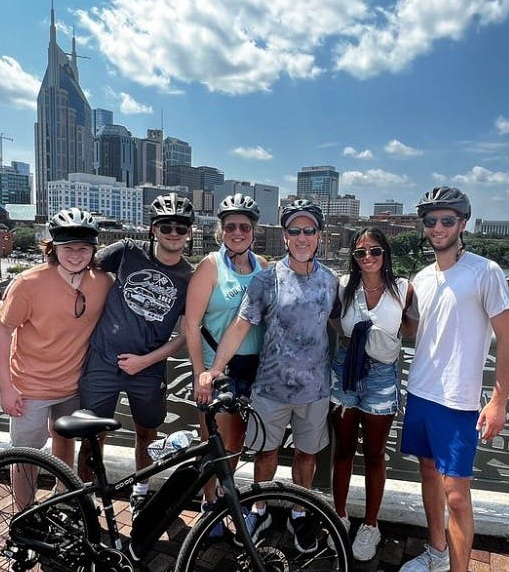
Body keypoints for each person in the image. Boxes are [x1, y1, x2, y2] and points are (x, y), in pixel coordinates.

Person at [399, 185, 509, 572]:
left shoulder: (485, 272)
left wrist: (498, 400)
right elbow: (413, 333)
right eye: (430, 221)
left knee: (457, 497)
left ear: (463, 223)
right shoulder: (421, 278)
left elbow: (508, 340)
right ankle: (436, 549)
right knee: (428, 474)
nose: (437, 229)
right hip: (421, 393)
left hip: (459, 402)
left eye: (446, 220)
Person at [198, 199, 339, 552]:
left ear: (319, 236)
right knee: (266, 454)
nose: (302, 237)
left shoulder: (331, 281)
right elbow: (240, 325)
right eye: (295, 231)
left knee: (307, 456)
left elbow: (342, 325)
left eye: (309, 231)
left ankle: (300, 512)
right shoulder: (266, 279)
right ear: (285, 236)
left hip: (315, 389)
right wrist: (214, 369)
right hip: (271, 388)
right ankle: (259, 509)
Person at [79, 192, 195, 512]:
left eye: (181, 228)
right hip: (103, 358)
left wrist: (145, 361)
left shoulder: (190, 278)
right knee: (93, 434)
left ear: (189, 233)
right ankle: (85, 498)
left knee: (147, 433)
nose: (174, 233)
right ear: (153, 229)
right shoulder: (127, 251)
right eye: (166, 226)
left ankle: (141, 490)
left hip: (148, 366)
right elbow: (79, 265)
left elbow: (184, 337)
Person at [0, 208, 110, 503]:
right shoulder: (28, 284)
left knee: (64, 444)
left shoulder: (102, 282)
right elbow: (1, 333)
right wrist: (6, 387)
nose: (76, 255)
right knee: (26, 457)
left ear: (93, 250)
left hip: (72, 384)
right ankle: (24, 517)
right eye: (68, 248)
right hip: (30, 387)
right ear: (53, 247)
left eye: (83, 248)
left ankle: (63, 500)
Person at [183, 193, 266, 533]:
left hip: (254, 366)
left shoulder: (262, 266)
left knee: (235, 444)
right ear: (221, 231)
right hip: (218, 369)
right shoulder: (210, 267)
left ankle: (224, 499)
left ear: (253, 231)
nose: (237, 232)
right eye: (230, 226)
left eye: (244, 226)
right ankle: (209, 502)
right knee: (213, 441)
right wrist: (198, 372)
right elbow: (190, 323)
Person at [329, 228, 414, 561]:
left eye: (374, 251)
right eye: (360, 253)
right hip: (345, 369)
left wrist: (381, 341)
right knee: (344, 449)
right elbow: (336, 321)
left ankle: (370, 524)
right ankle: (339, 515)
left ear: (385, 254)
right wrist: (355, 343)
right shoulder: (343, 287)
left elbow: (413, 326)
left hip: (381, 375)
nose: (368, 258)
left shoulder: (403, 289)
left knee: (375, 454)